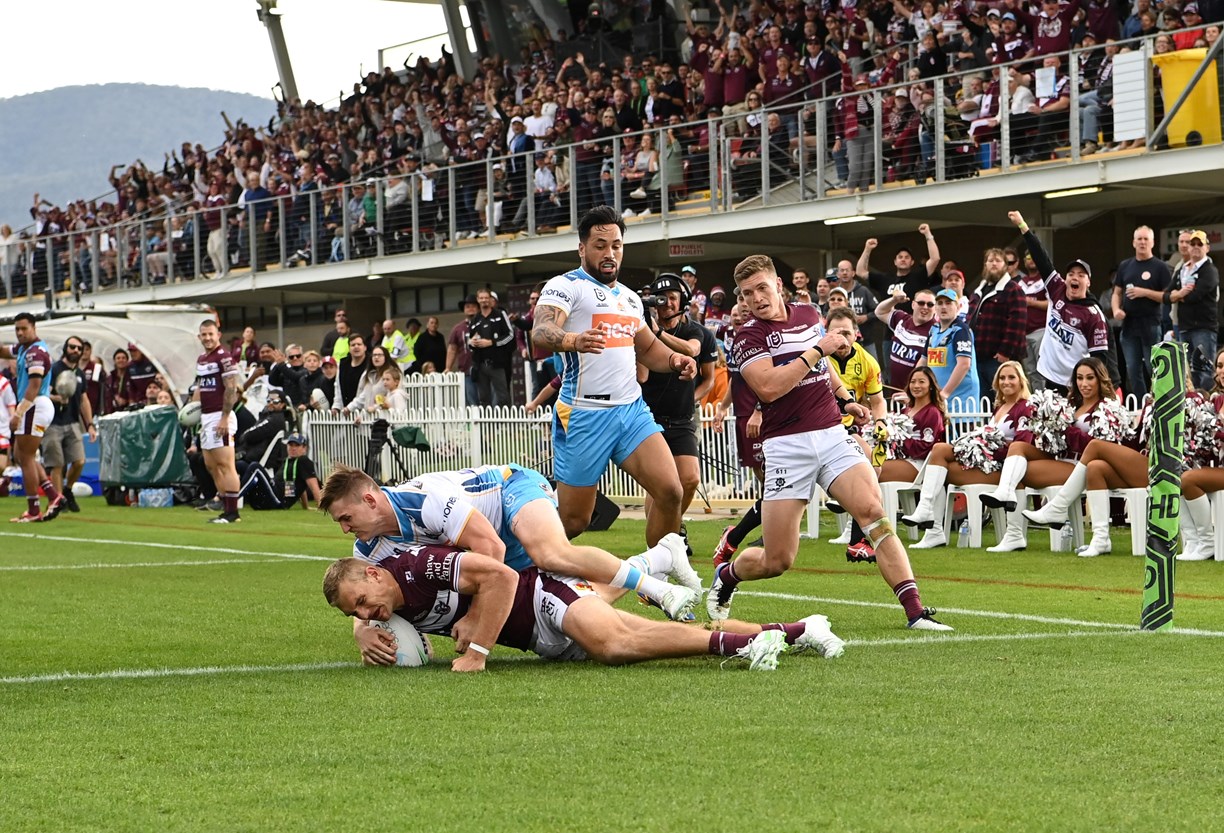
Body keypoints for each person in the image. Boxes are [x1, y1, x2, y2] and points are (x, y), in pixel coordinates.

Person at [711, 254, 951, 631]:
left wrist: (845, 399)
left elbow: (823, 370)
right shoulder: (747, 337)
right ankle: (727, 577)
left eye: (761, 288)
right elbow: (770, 388)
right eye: (746, 293)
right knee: (778, 560)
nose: (756, 298)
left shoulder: (808, 314)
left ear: (778, 285)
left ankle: (916, 611)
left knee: (873, 513)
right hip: (786, 445)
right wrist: (817, 350)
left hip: (831, 433)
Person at [319, 463, 703, 647]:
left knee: (551, 554)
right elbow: (360, 590)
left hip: (511, 490)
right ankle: (660, 557)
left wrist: (475, 618)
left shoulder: (424, 499)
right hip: (495, 543)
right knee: (567, 598)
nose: (345, 529)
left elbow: (491, 550)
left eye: (346, 518)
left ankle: (660, 589)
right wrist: (362, 634)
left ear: (370, 500)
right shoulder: (367, 548)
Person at [322, 544, 846, 672]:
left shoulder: (417, 566)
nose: (367, 613)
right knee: (639, 635)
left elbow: (500, 574)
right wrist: (361, 631)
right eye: (356, 613)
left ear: (374, 574)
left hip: (544, 593)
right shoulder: (382, 602)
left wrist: (478, 645)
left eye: (363, 603)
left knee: (615, 644)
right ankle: (799, 630)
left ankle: (744, 646)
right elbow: (370, 615)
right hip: (541, 640)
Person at [531, 206, 697, 545]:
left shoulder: (631, 299)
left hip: (631, 411)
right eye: (600, 245)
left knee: (671, 491)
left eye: (616, 245)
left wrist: (676, 360)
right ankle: (512, 557)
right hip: (584, 414)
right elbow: (541, 330)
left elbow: (648, 349)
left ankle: (659, 570)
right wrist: (573, 340)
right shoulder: (566, 286)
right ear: (582, 248)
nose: (610, 253)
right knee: (574, 520)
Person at [982, 357, 1116, 552]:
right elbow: (1056, 443)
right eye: (1079, 378)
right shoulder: (1071, 405)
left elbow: (1102, 447)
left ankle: (1016, 529)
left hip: (1082, 466)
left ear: (1100, 379)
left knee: (1015, 471)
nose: (1084, 384)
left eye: (1090, 378)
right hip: (1061, 460)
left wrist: (1067, 431)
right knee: (1015, 461)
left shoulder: (1107, 407)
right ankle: (1013, 532)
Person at [902, 361, 1035, 548]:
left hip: (1003, 468)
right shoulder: (1000, 407)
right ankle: (928, 518)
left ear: (1021, 381)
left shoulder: (1025, 406)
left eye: (1011, 377)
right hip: (985, 460)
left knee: (938, 471)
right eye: (1002, 378)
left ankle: (934, 529)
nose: (1006, 382)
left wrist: (986, 446)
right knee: (939, 452)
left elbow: (1022, 443)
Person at [1009, 210, 1110, 395]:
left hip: (1075, 385)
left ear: (1088, 283)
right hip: (1048, 377)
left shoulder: (1094, 315)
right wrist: (1023, 226)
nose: (1075, 278)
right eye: (1071, 274)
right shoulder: (1057, 288)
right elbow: (1041, 258)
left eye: (1081, 275)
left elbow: (1100, 358)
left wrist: (1098, 390)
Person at [822, 307, 887, 562]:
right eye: (835, 333)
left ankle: (856, 540)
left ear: (857, 334)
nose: (841, 339)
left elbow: (878, 400)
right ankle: (734, 537)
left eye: (846, 333)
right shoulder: (816, 356)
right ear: (825, 333)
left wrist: (881, 422)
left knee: (873, 467)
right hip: (812, 429)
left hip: (843, 430)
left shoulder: (867, 362)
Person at [638, 273, 703, 525]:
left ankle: (671, 527)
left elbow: (692, 349)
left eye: (672, 297)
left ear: (683, 300)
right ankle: (660, 537)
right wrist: (645, 332)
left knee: (690, 478)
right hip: (651, 418)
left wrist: (659, 334)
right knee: (660, 485)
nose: (667, 303)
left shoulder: (692, 330)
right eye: (661, 298)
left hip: (681, 418)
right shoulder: (643, 331)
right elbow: (642, 376)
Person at [0, 313, 67, 522]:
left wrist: (19, 413)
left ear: (34, 328)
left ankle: (34, 510)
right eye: (17, 329)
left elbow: (34, 386)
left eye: (24, 329)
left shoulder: (35, 353)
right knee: (21, 455)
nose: (20, 333)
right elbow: (3, 351)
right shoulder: (23, 348)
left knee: (26, 458)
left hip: (34, 404)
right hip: (36, 405)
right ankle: (54, 496)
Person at [1111, 225, 1172, 401]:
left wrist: (1144, 292)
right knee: (1132, 369)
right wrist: (1116, 310)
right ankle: (1140, 405)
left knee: (1153, 368)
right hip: (1129, 325)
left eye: (1146, 239)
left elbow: (1168, 296)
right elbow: (1116, 293)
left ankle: (1159, 402)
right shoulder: (1125, 265)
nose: (1142, 242)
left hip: (1151, 324)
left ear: (1152, 242)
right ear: (1133, 242)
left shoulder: (1160, 267)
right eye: (1139, 239)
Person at [194, 317, 243, 524]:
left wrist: (224, 417)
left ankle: (232, 512)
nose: (207, 338)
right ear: (199, 336)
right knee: (211, 465)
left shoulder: (224, 357)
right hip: (206, 416)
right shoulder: (202, 359)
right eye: (204, 334)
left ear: (218, 335)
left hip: (219, 415)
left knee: (225, 464)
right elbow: (200, 387)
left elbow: (231, 388)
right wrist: (191, 409)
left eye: (210, 334)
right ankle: (224, 506)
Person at [44, 335, 97, 513]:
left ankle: (67, 490)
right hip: (52, 423)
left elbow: (84, 400)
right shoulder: (54, 369)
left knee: (79, 461)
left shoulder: (80, 374)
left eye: (79, 348)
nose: (75, 350)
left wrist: (90, 424)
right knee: (57, 464)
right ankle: (58, 501)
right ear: (65, 348)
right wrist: (57, 398)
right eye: (72, 347)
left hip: (73, 423)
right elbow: (43, 394)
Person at [967, 247, 1028, 396]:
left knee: (1003, 399)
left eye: (998, 261)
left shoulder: (1013, 289)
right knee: (983, 401)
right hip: (977, 357)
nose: (994, 263)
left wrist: (1005, 351)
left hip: (999, 358)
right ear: (985, 264)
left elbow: (1017, 323)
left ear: (1005, 265)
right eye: (990, 260)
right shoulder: (978, 290)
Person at [1169, 230, 1219, 392]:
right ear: (1188, 248)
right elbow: (1168, 293)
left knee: (1204, 371)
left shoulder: (1209, 270)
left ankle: (1209, 403)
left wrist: (1178, 295)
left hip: (1203, 328)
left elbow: (1196, 295)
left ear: (1207, 248)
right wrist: (1179, 294)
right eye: (1193, 244)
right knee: (1187, 373)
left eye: (1200, 244)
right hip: (1184, 327)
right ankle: (1194, 403)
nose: (1196, 247)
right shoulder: (1182, 269)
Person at [924, 288, 980, 419]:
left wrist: (945, 393)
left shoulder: (961, 330)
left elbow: (964, 364)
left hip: (961, 403)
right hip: (939, 401)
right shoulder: (934, 329)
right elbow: (923, 360)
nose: (944, 307)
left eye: (948, 303)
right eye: (940, 303)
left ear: (958, 307)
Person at [874, 286, 937, 396]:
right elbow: (879, 312)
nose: (925, 307)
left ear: (935, 308)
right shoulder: (902, 319)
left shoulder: (936, 332)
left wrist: (912, 393)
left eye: (930, 304)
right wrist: (894, 300)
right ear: (913, 304)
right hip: (894, 390)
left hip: (917, 394)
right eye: (921, 303)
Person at [239, 432, 322, 510]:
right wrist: (305, 506)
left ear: (304, 448)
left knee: (255, 467)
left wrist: (321, 506)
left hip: (277, 500)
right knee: (241, 465)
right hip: (266, 497)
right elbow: (301, 486)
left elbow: (313, 486)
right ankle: (232, 494)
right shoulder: (288, 461)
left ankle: (233, 499)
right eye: (291, 445)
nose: (293, 448)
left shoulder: (304, 461)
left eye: (297, 445)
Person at [469, 289, 516, 407]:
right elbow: (470, 341)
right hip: (480, 363)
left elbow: (510, 335)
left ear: (490, 299)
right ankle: (486, 419)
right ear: (478, 300)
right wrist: (472, 342)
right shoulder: (475, 319)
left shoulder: (500, 315)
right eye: (481, 298)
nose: (484, 300)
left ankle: (505, 418)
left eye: (486, 298)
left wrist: (492, 342)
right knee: (483, 398)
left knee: (503, 396)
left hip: (497, 363)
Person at [446, 294, 480, 406]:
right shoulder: (458, 328)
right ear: (464, 310)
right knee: (471, 401)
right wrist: (448, 367)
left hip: (484, 368)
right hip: (466, 370)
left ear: (479, 308)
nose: (470, 308)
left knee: (485, 401)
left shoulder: (484, 324)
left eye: (473, 306)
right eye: (467, 306)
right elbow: (452, 349)